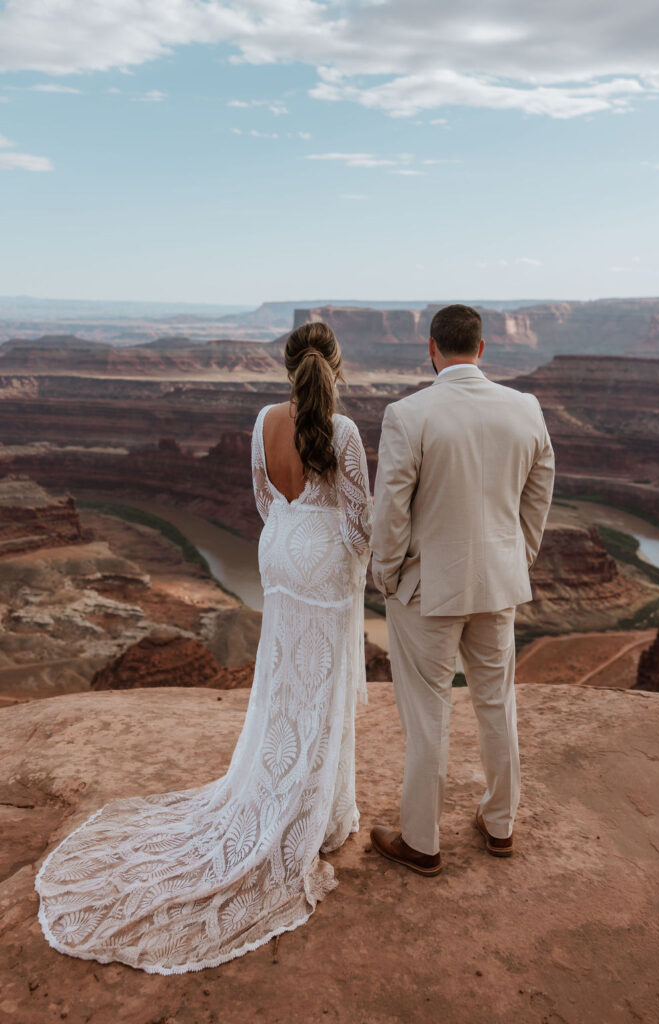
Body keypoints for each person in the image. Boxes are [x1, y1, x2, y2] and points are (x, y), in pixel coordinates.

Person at [35, 321, 372, 974]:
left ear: (287, 366)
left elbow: (263, 498)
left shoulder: (263, 419)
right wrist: (353, 561)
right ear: (336, 366)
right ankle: (320, 816)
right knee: (321, 686)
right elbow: (358, 516)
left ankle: (284, 796)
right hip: (325, 563)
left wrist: (290, 542)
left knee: (281, 681)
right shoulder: (345, 431)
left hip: (279, 556)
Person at [370, 303, 554, 875]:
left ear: (431, 349)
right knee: (497, 703)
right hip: (498, 584)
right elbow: (540, 484)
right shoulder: (524, 409)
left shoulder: (409, 414)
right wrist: (519, 554)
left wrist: (389, 575)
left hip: (428, 591)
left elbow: (391, 508)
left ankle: (422, 843)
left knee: (428, 716)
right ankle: (500, 825)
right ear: (481, 349)